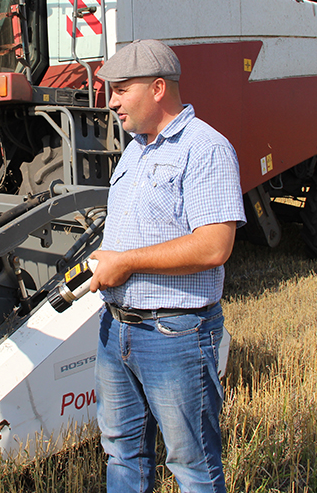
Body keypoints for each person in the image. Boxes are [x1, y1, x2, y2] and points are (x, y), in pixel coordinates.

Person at [89, 40, 246, 493]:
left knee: (192, 465)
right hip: (116, 329)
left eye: (120, 89)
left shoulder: (206, 148)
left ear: (158, 88)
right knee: (122, 453)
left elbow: (215, 246)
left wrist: (128, 263)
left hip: (174, 335)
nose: (111, 100)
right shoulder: (136, 150)